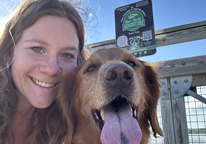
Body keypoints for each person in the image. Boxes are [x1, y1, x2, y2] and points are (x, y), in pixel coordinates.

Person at [0, 0, 90, 143]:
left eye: (67, 55)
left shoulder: (75, 123)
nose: (52, 69)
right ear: (10, 52)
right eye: (37, 49)